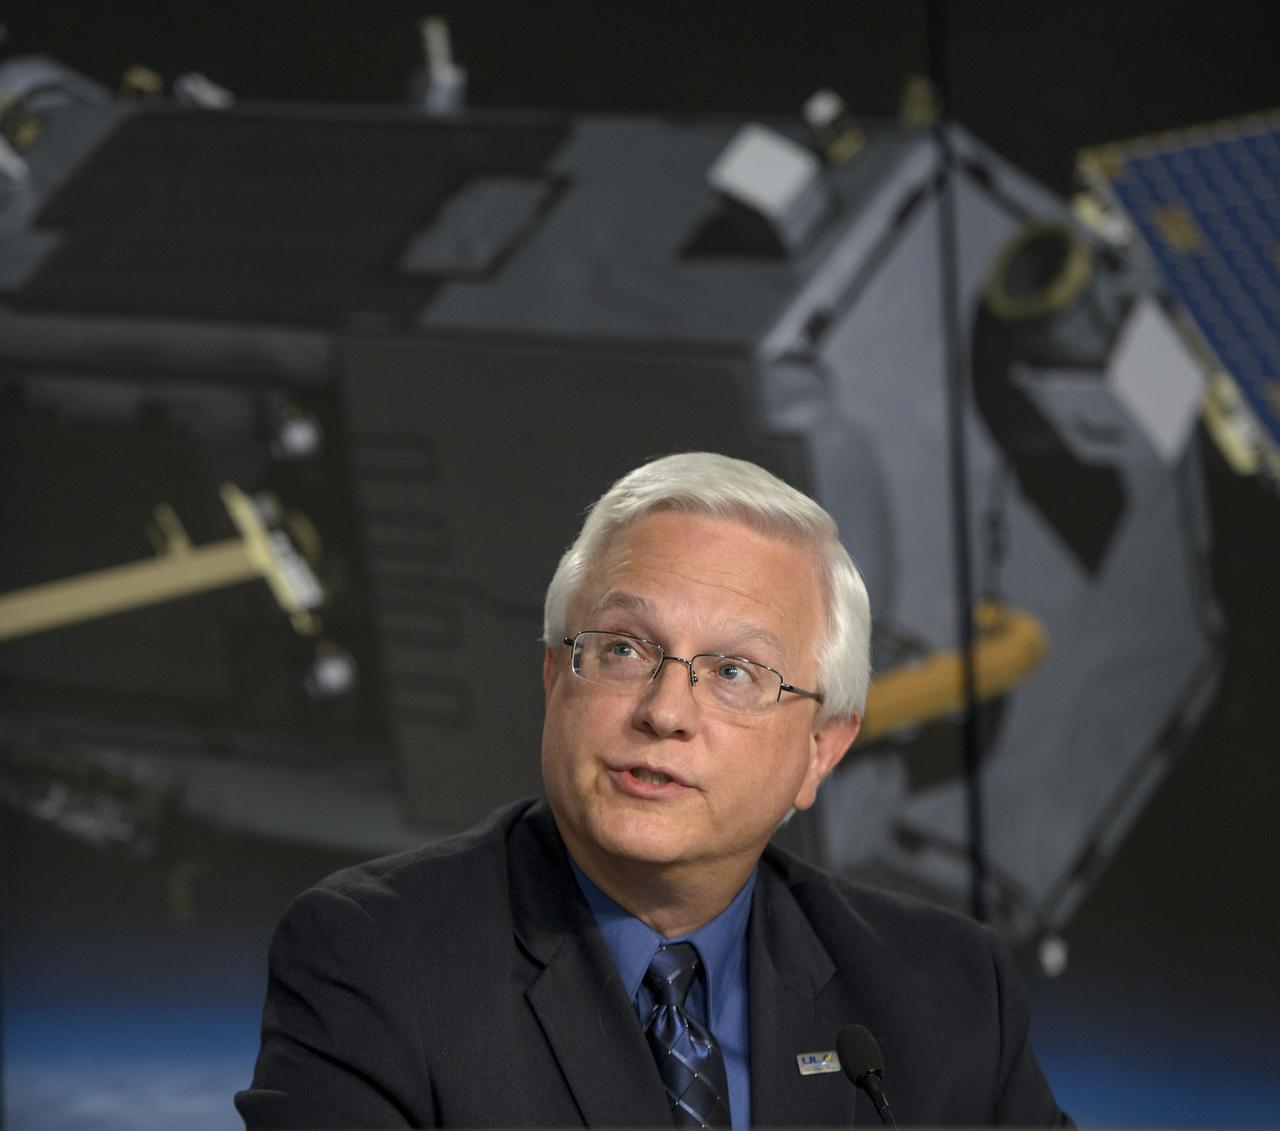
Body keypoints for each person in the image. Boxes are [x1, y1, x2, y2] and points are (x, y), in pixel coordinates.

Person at [236, 451, 1069, 1129]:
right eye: (626, 649)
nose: (665, 711)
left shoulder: (950, 991)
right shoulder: (375, 958)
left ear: (821, 749)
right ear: (556, 674)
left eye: (735, 671)